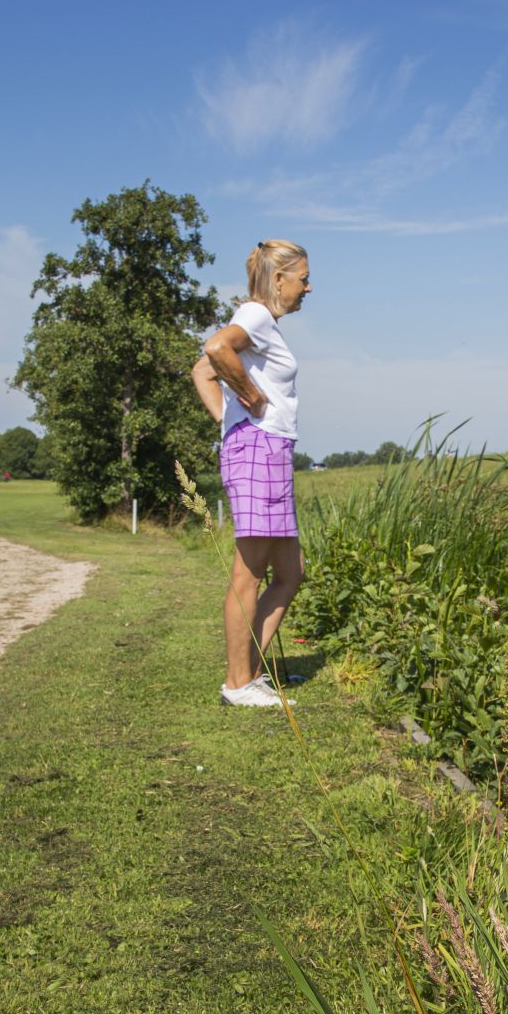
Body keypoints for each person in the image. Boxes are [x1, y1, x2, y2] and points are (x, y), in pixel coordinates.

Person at [189, 239, 311, 708]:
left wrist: (230, 420)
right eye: (303, 278)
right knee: (250, 572)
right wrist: (250, 400)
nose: (308, 286)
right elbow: (215, 350)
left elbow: (202, 371)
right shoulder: (256, 315)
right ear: (279, 279)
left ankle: (252, 672)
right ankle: (237, 684)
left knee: (290, 571)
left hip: (265, 448)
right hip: (259, 451)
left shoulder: (263, 326)